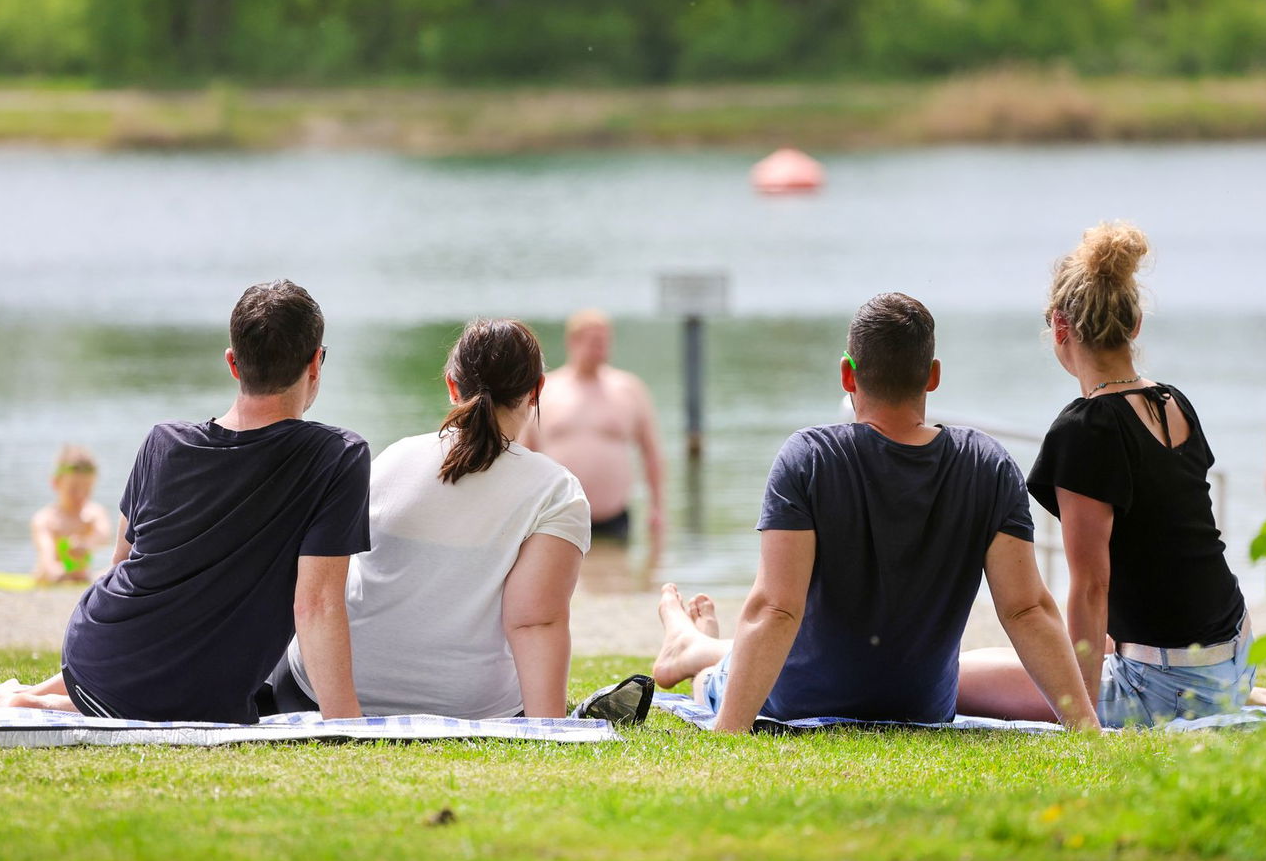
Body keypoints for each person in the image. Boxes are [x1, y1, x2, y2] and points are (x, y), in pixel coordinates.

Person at [651, 293, 1098, 732]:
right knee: (735, 659)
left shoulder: (809, 458)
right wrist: (1086, 728)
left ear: (847, 374)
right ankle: (693, 645)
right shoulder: (989, 465)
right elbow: (1027, 609)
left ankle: (694, 653)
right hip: (922, 708)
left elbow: (775, 607)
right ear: (933, 376)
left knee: (714, 680)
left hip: (797, 702)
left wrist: (728, 731)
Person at [0, 280, 368, 723]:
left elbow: (122, 564)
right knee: (152, 686)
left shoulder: (163, 442)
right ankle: (26, 699)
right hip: (189, 688)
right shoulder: (337, 458)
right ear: (315, 362)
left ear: (232, 362)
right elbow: (316, 604)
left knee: (136, 674)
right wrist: (346, 724)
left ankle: (26, 698)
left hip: (100, 648)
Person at [956, 223, 1257, 727]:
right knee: (1000, 662)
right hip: (1235, 655)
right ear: (1135, 324)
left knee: (953, 677)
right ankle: (1248, 694)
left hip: (1168, 687)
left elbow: (1091, 586)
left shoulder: (1086, 428)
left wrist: (1082, 718)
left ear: (1060, 327)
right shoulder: (1173, 402)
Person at [267, 318, 590, 719]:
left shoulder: (393, 458)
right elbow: (534, 623)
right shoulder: (556, 490)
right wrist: (550, 730)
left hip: (324, 692)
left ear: (452, 385)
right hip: (469, 707)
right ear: (537, 390)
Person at [519, 309, 665, 578]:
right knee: (558, 582)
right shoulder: (546, 390)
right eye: (594, 341)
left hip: (613, 514)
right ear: (573, 341)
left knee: (616, 578)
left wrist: (657, 507)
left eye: (605, 340)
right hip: (556, 511)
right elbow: (524, 454)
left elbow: (651, 453)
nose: (601, 348)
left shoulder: (629, 389)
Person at [29, 445, 112, 586]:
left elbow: (104, 536)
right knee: (47, 572)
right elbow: (46, 558)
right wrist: (64, 571)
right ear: (56, 483)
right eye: (73, 489)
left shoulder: (94, 514)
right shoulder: (45, 520)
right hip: (51, 574)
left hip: (83, 575)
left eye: (87, 489)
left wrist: (85, 545)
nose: (80, 495)